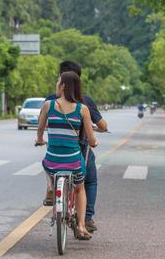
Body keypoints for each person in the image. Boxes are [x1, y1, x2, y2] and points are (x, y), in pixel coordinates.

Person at [45, 60, 107, 234]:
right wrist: (98, 130)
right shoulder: (85, 102)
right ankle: (85, 220)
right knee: (90, 180)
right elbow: (102, 125)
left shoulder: (50, 100)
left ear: (61, 80)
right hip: (79, 151)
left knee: (49, 163)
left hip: (56, 151)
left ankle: (50, 188)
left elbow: (45, 126)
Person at [36, 71, 97, 240]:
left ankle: (50, 187)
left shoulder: (48, 105)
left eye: (58, 82)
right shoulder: (82, 109)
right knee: (80, 188)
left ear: (63, 86)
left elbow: (40, 128)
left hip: (53, 159)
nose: (56, 85)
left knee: (46, 164)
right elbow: (91, 138)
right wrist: (94, 143)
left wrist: (39, 140)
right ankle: (82, 225)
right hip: (73, 162)